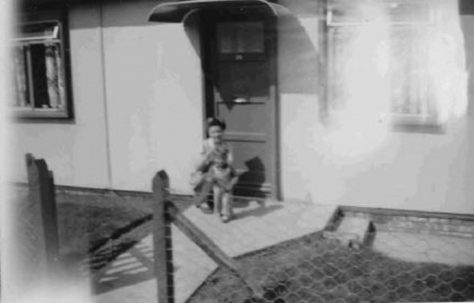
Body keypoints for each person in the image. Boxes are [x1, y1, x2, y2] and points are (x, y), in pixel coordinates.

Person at [191, 117, 235, 215]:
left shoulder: (227, 145)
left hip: (221, 170)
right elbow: (198, 165)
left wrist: (225, 160)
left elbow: (230, 161)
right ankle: (204, 200)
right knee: (205, 178)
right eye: (213, 132)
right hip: (207, 170)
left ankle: (224, 207)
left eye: (219, 131)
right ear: (209, 133)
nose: (216, 135)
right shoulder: (205, 144)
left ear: (223, 132)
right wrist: (209, 153)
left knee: (226, 180)